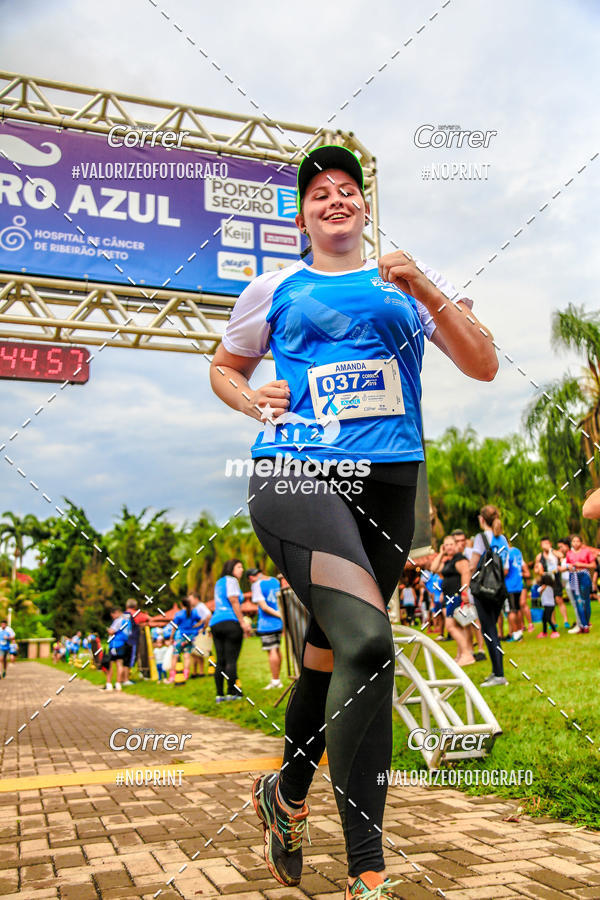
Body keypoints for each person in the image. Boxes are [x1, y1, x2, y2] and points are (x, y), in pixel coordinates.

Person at [210, 144, 498, 898]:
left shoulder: (405, 281)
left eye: (347, 190)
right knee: (370, 642)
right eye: (319, 194)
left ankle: (285, 797)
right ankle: (368, 871)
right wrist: (249, 400)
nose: (334, 200)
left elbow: (483, 364)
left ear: (365, 207)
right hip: (296, 471)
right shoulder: (275, 288)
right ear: (302, 215)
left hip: (390, 483)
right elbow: (224, 366)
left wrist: (428, 288)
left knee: (331, 654)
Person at [469, 505, 509, 686]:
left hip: (483, 589)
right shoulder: (503, 539)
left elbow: (473, 564)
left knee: (489, 630)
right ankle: (496, 671)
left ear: (482, 519)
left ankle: (499, 675)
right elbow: (506, 568)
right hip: (499, 590)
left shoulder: (481, 537)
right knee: (493, 629)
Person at [211, 559, 252, 702]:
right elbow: (234, 600)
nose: (242, 569)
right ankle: (232, 692)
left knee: (220, 660)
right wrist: (242, 622)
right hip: (230, 622)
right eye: (239, 566)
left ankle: (219, 694)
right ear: (231, 568)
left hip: (215, 622)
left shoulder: (219, 582)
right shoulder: (232, 580)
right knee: (231, 660)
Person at [431, 536, 474, 666]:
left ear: (456, 545)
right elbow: (433, 568)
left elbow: (466, 574)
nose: (449, 547)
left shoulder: (460, 559)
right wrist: (441, 553)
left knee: (451, 626)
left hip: (457, 596)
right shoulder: (448, 561)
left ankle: (467, 654)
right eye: (446, 545)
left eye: (451, 544)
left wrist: (464, 593)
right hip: (449, 597)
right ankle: (462, 654)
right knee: (459, 626)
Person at [451, 528, 486, 659]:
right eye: (457, 541)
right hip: (460, 592)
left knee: (476, 621)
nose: (461, 543)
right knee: (465, 621)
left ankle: (481, 649)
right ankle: (469, 649)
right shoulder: (453, 556)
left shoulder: (471, 553)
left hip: (472, 590)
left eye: (462, 540)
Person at [248, 567, 284, 689]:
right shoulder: (275, 581)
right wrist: (282, 616)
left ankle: (275, 680)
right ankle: (277, 679)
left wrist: (279, 615)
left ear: (252, 576)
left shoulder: (256, 585)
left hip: (266, 623)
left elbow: (263, 607)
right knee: (277, 649)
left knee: (272, 650)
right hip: (279, 622)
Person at [534, 537, 570, 629]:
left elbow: (561, 555)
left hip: (556, 580)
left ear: (550, 544)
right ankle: (553, 622)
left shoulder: (554, 552)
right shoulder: (539, 556)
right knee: (550, 602)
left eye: (547, 543)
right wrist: (539, 570)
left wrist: (550, 550)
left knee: (559, 599)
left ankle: (565, 620)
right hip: (546, 581)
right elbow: (536, 569)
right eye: (543, 544)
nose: (545, 546)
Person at [564, 534, 596, 633]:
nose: (575, 543)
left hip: (584, 575)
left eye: (577, 541)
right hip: (573, 576)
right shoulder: (569, 553)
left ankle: (586, 623)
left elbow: (593, 565)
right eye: (573, 541)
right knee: (577, 600)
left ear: (581, 543)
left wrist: (581, 564)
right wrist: (568, 566)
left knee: (585, 601)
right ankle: (583, 625)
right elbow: (568, 564)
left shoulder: (586, 552)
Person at [169, 596, 203, 683]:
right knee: (187, 656)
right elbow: (201, 620)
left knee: (175, 656)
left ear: (181, 604)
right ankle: (186, 675)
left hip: (180, 637)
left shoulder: (179, 614)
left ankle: (172, 677)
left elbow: (174, 626)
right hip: (190, 637)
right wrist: (194, 626)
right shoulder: (194, 612)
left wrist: (171, 637)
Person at [505, 541, 528, 641]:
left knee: (510, 610)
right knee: (517, 609)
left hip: (509, 585)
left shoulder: (505, 553)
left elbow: (505, 571)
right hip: (519, 584)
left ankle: (515, 634)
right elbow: (523, 566)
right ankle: (519, 632)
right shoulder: (517, 551)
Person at [106, 607, 132, 691]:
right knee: (120, 664)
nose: (112, 617)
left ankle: (109, 684)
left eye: (112, 615)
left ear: (116, 613)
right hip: (122, 644)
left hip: (115, 644)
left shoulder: (118, 620)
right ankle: (118, 684)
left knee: (110, 664)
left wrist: (108, 630)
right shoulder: (127, 621)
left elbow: (112, 631)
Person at [188, 592, 212, 677]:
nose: (189, 601)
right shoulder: (195, 608)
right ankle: (195, 672)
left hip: (200, 633)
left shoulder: (201, 606)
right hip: (194, 632)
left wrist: (204, 627)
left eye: (190, 599)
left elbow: (208, 615)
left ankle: (200, 672)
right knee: (194, 653)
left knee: (198, 652)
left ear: (196, 599)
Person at [538, 574, 560, 638]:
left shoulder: (548, 587)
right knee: (544, 619)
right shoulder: (550, 587)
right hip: (548, 605)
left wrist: (542, 589)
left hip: (549, 605)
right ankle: (544, 632)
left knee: (548, 619)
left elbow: (539, 591)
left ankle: (554, 631)